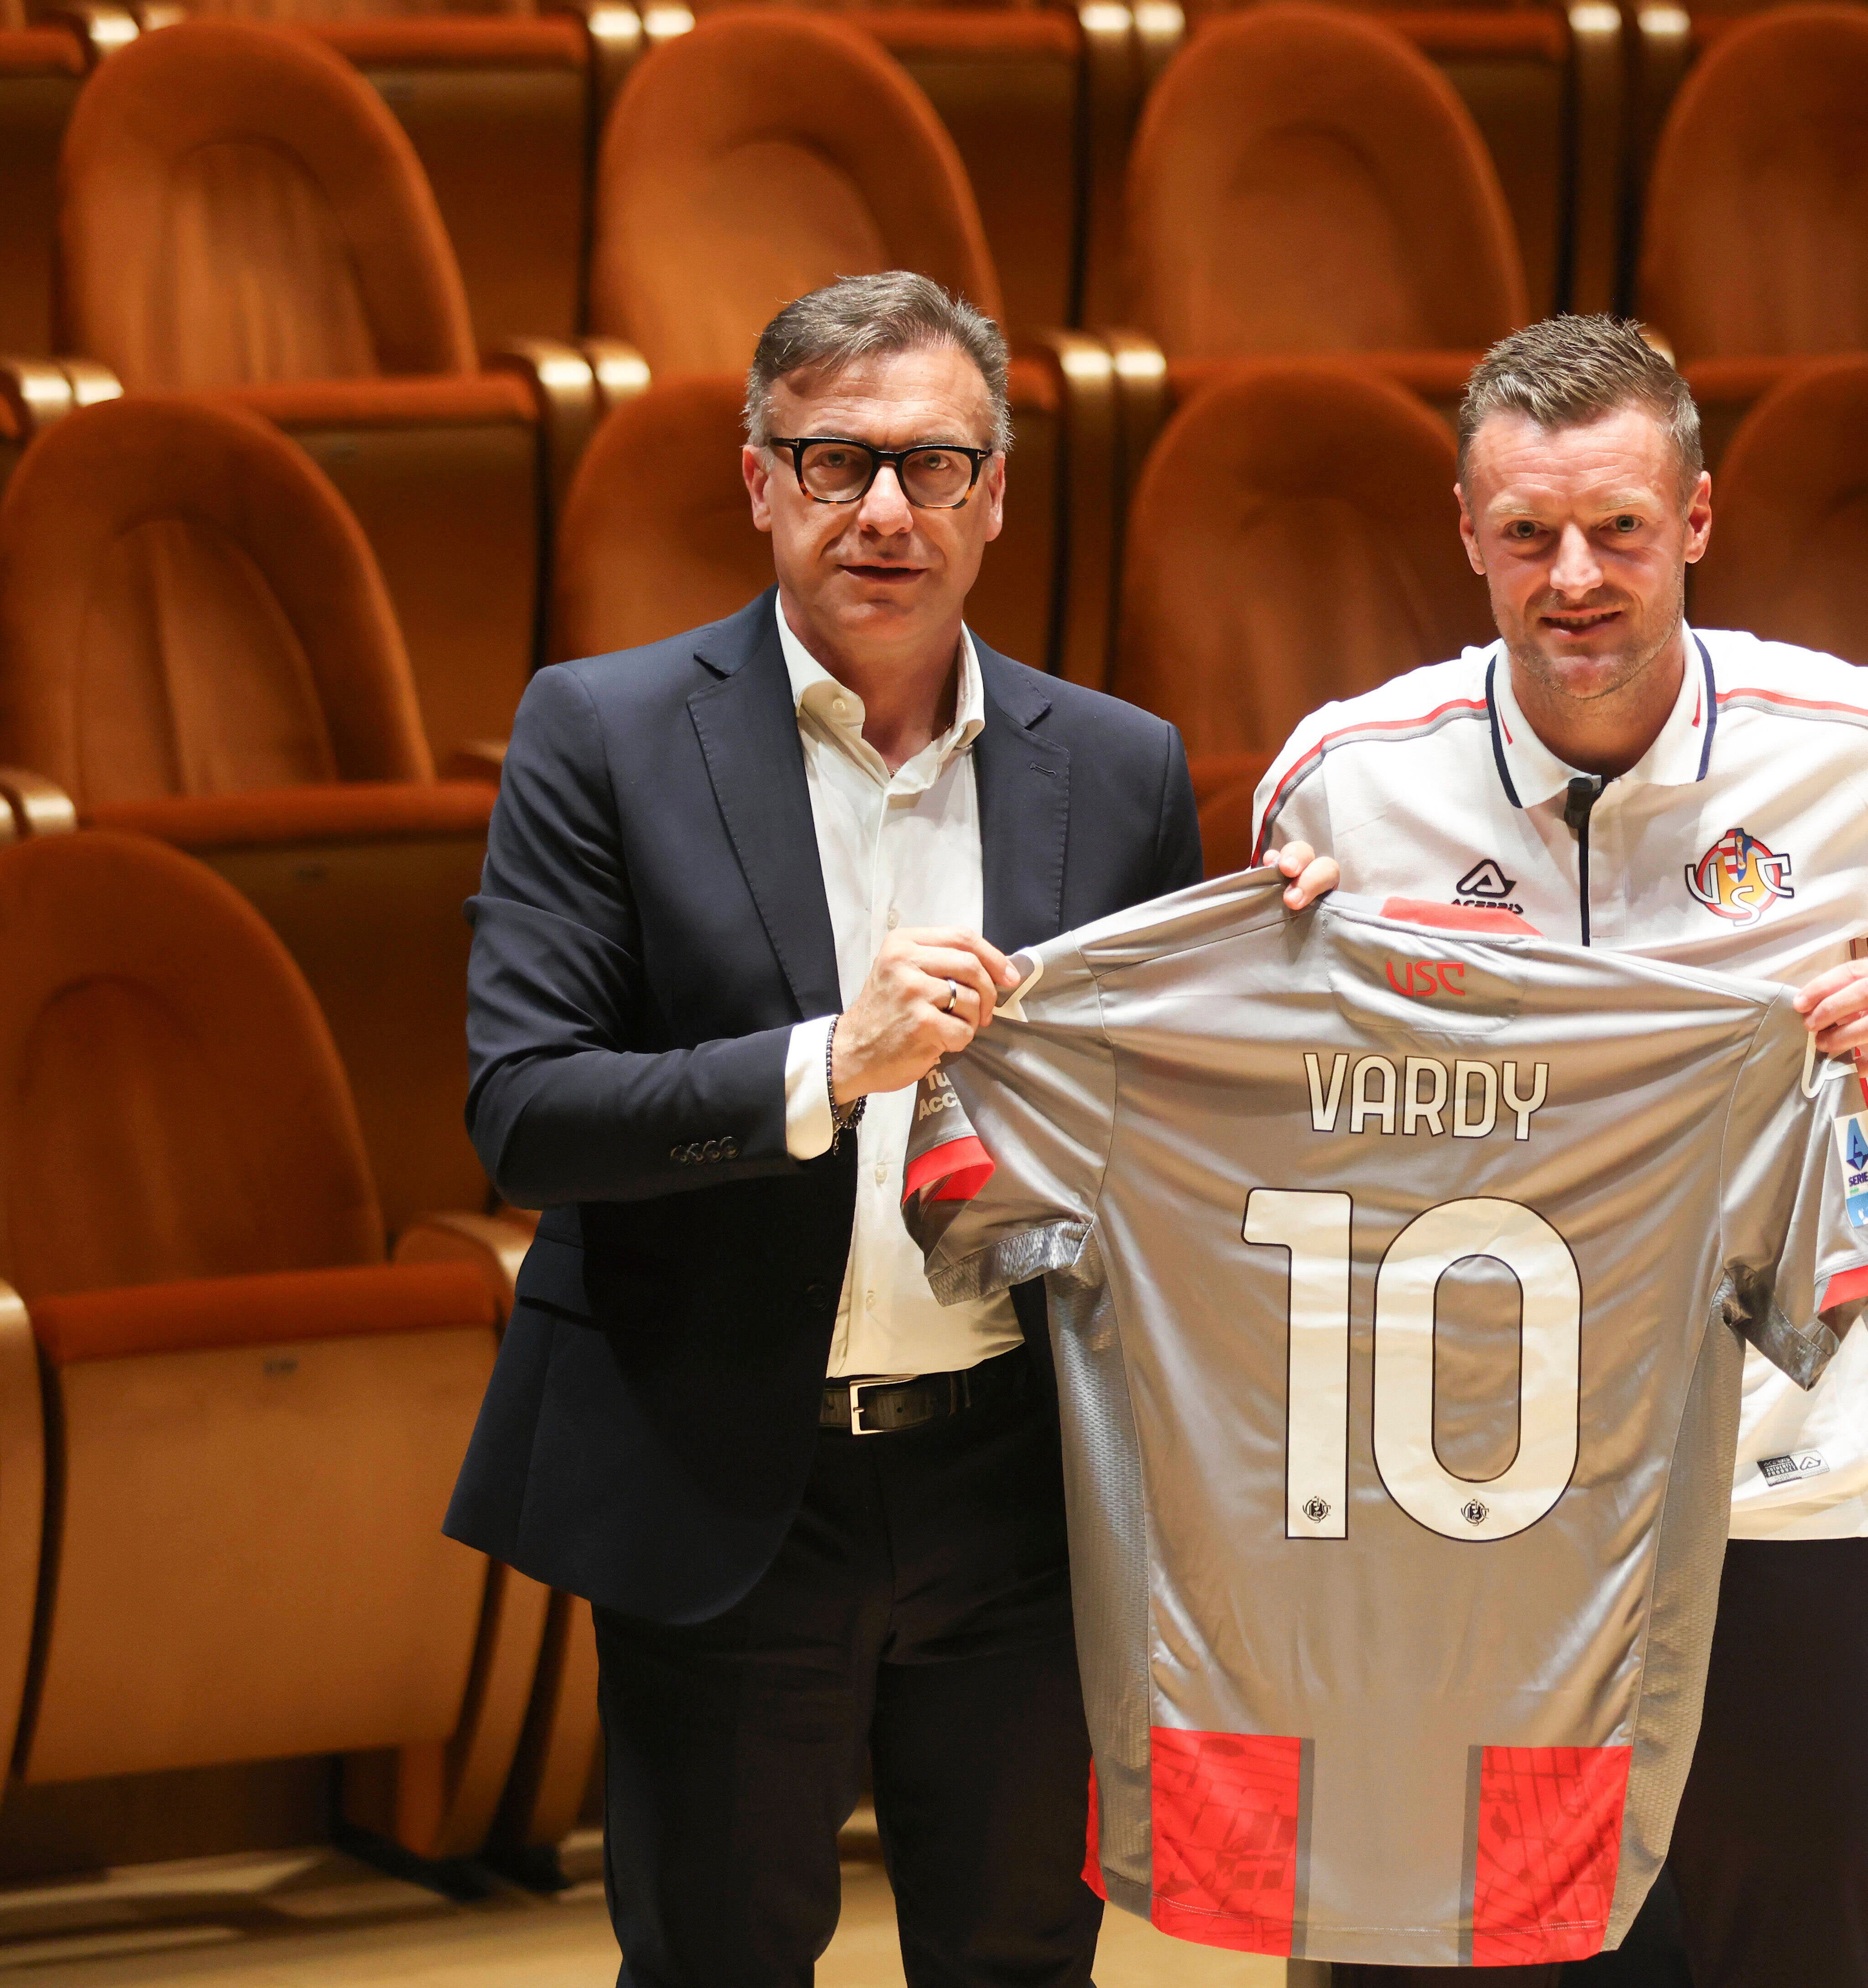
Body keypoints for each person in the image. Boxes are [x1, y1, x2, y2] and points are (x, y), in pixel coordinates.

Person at [445, 271, 1330, 1987]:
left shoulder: (1123, 766)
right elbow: (524, 1116)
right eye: (835, 460)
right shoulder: (603, 734)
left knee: (1020, 1965)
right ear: (759, 480)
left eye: (933, 466)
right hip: (732, 1474)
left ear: (997, 493)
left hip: (1019, 1476)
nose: (884, 512)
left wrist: (1287, 964)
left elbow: (1162, 1129)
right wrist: (824, 1065)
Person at [1250, 314, 1868, 1987]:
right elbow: (1269, 1107)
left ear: (1696, 517)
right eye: (1529, 533)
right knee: (1450, 1960)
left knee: (1806, 1959)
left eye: (1619, 527)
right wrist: (1280, 983)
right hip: (1458, 1511)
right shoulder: (1343, 782)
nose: (1576, 577)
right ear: (1466, 531)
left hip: (1781, 1488)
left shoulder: (1859, 750)